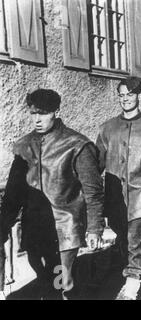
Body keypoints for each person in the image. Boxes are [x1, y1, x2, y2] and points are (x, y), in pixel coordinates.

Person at [0, 89, 105, 300]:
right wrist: (3, 226)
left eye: (43, 113)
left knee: (63, 280)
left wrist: (95, 228)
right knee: (45, 278)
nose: (37, 119)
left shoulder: (77, 145)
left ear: (56, 111)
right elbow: (13, 193)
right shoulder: (23, 145)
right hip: (33, 228)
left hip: (65, 228)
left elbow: (93, 191)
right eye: (33, 113)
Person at [96, 77, 141, 300]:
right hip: (115, 195)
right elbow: (96, 163)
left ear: (138, 96)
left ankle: (133, 282)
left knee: (136, 238)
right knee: (122, 235)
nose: (125, 99)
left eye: (130, 95)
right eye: (122, 95)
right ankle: (125, 270)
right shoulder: (107, 128)